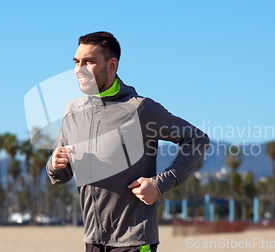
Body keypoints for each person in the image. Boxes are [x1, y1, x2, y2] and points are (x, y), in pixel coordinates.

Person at [46, 31, 210, 252]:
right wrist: (55, 165)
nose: (79, 69)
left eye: (89, 62)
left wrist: (160, 185)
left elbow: (197, 140)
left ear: (112, 65)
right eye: (77, 62)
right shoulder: (71, 112)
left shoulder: (140, 109)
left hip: (135, 240)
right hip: (93, 241)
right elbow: (62, 175)